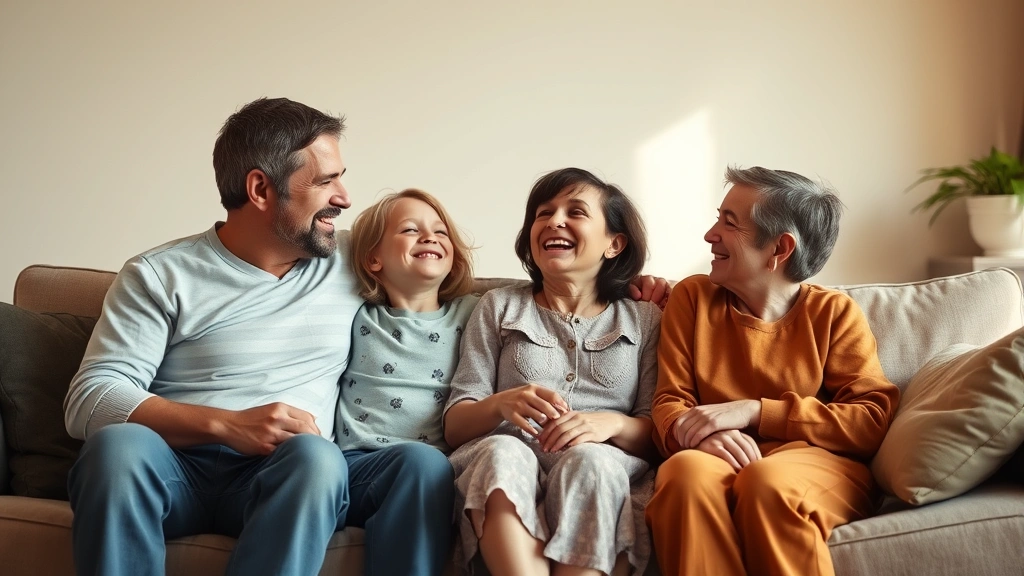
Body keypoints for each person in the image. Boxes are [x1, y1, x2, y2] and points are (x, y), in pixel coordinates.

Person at [63, 98, 443, 576]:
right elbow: (91, 399)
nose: (345, 198)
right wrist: (227, 425)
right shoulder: (160, 274)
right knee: (114, 450)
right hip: (177, 470)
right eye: (325, 181)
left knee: (353, 461)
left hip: (294, 474)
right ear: (261, 188)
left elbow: (435, 255)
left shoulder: (354, 257)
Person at [646, 166, 901, 576]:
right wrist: (693, 434)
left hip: (815, 467)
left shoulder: (833, 314)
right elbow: (670, 400)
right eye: (718, 218)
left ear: (779, 249)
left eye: (729, 223)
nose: (711, 234)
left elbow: (869, 420)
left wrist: (753, 411)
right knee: (683, 473)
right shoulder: (692, 298)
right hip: (716, 456)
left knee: (767, 483)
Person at [443, 168, 662, 576]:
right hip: (503, 463)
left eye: (575, 211)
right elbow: (455, 426)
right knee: (503, 451)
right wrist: (499, 405)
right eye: (543, 213)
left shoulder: (645, 319)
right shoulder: (497, 306)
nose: (553, 221)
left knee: (590, 462)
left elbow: (657, 435)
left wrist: (610, 423)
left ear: (614, 244)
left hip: (602, 469)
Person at [333, 188, 479, 572]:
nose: (429, 236)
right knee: (419, 464)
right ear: (373, 259)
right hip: (356, 469)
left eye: (440, 231)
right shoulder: (356, 314)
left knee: (424, 464)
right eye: (410, 230)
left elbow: (543, 301)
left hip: (432, 473)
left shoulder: (477, 312)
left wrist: (641, 286)